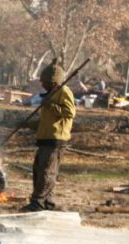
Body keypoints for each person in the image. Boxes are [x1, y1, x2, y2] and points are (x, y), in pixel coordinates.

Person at [20, 58, 75, 212]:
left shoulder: (64, 92)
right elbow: (46, 121)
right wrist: (29, 124)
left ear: (53, 82)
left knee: (47, 172)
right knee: (38, 170)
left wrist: (50, 105)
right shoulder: (49, 94)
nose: (42, 85)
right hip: (44, 139)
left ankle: (37, 203)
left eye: (45, 82)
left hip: (56, 140)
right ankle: (48, 201)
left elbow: (69, 113)